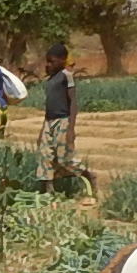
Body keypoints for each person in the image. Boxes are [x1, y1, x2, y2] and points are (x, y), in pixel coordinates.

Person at [35, 43, 93, 196]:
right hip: (49, 122)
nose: (48, 65)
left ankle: (87, 176)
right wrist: (43, 129)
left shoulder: (66, 76)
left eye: (52, 61)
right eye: (47, 61)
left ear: (62, 60)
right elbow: (48, 107)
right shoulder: (49, 80)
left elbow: (73, 102)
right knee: (45, 156)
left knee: (64, 158)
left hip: (63, 121)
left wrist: (71, 129)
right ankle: (48, 192)